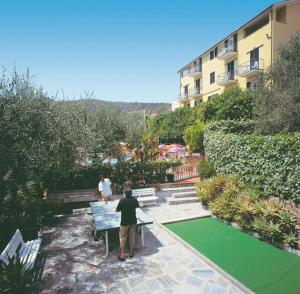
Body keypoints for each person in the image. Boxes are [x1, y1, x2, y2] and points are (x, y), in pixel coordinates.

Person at [116, 190, 140, 261]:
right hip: (133, 221)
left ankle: (122, 254)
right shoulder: (134, 199)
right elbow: (137, 206)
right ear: (131, 193)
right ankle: (131, 252)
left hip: (124, 222)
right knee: (132, 236)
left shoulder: (122, 200)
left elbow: (117, 210)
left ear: (125, 194)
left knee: (122, 237)